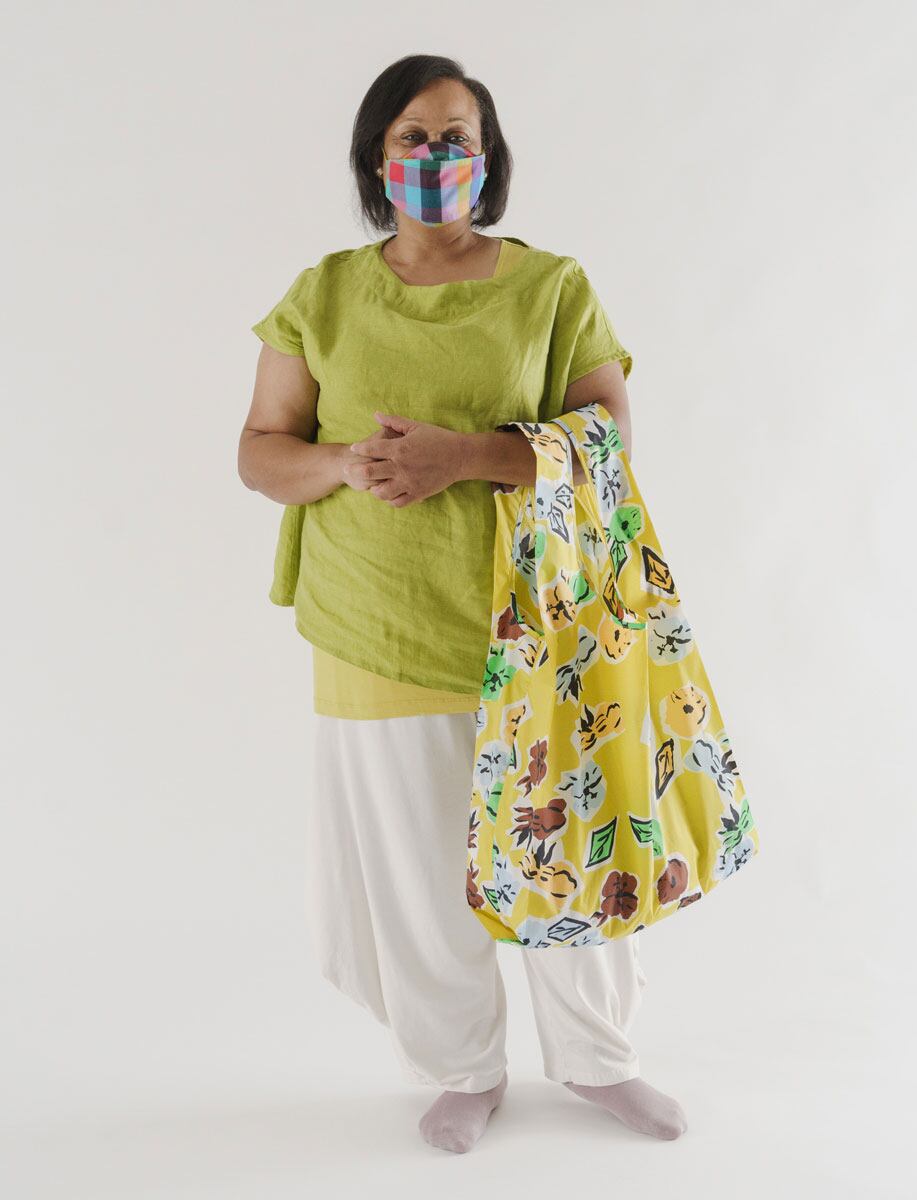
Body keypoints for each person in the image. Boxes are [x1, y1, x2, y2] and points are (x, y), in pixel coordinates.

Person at [238, 53, 687, 1154]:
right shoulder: (323, 294)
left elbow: (608, 440)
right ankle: (460, 1069)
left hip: (536, 620)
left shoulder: (550, 287)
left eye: (456, 138)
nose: (436, 157)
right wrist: (346, 465)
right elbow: (260, 451)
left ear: (489, 158)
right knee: (419, 862)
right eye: (413, 137)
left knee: (568, 830)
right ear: (374, 155)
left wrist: (465, 456)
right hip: (374, 619)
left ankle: (599, 1059)